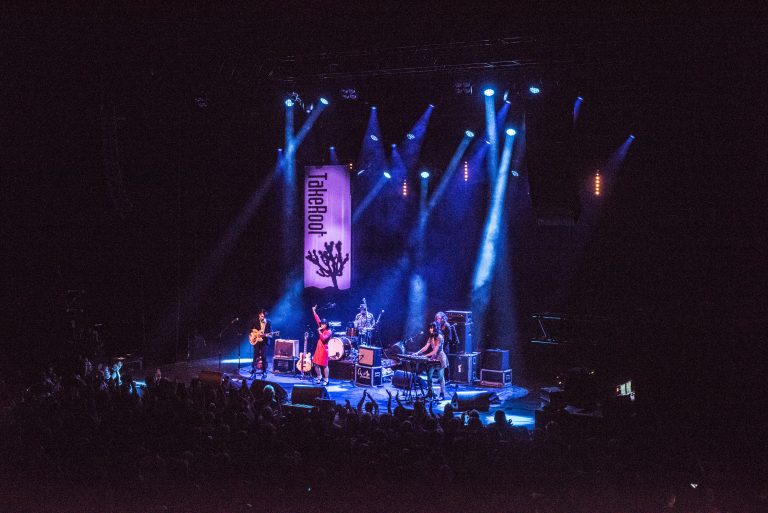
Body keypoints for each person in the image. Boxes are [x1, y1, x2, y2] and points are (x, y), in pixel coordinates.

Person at [414, 321, 448, 400]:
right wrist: (417, 353)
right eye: (430, 328)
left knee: (440, 377)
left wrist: (424, 356)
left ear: (435, 328)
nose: (430, 329)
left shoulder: (440, 337)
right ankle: (430, 392)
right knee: (429, 375)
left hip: (440, 357)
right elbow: (426, 347)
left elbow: (435, 351)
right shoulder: (431, 337)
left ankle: (442, 394)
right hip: (433, 357)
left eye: (432, 328)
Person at [249, 309, 273, 377]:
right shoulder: (254, 321)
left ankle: (264, 371)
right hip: (256, 341)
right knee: (255, 355)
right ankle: (253, 371)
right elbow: (250, 330)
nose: (262, 318)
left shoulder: (268, 322)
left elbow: (271, 333)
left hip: (264, 342)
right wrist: (255, 334)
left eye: (263, 316)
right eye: (261, 316)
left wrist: (266, 335)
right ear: (259, 315)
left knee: (263, 356)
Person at [312, 305, 332, 385]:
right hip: (318, 348)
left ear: (326, 325)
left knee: (324, 365)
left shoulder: (329, 331)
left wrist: (319, 331)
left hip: (324, 349)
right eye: (321, 324)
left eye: (323, 324)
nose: (322, 325)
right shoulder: (321, 328)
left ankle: (326, 379)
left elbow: (323, 338)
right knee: (316, 363)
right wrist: (314, 311)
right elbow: (317, 319)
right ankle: (319, 376)